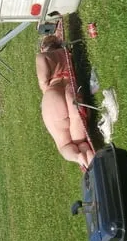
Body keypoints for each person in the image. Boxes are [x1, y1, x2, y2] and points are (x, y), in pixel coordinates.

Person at [36, 35, 94, 168]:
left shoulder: (42, 57)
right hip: (71, 90)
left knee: (65, 145)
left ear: (43, 47)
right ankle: (88, 156)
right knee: (82, 143)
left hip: (54, 94)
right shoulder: (65, 53)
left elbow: (43, 82)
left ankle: (79, 158)